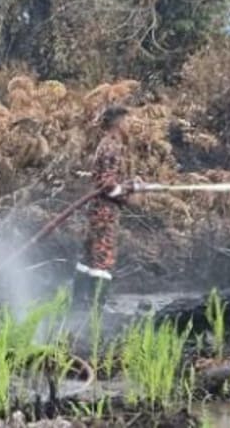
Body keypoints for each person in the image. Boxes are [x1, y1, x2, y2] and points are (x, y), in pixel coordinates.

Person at [73, 105, 137, 309]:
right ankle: (95, 308)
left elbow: (103, 179)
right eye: (127, 121)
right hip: (105, 211)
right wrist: (127, 191)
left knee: (88, 255)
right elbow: (107, 184)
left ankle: (77, 303)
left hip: (97, 209)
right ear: (118, 123)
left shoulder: (106, 144)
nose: (130, 125)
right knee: (103, 257)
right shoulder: (112, 146)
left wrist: (129, 184)